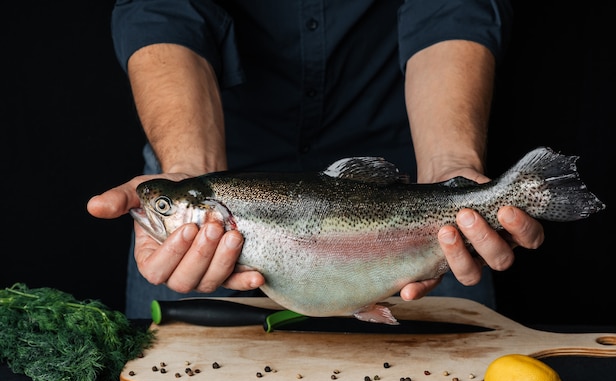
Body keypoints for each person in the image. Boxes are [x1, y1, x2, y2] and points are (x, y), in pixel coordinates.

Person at [88, 0, 545, 319]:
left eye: (165, 206)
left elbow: (450, 6)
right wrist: (190, 167)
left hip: (408, 170)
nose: (157, 210)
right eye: (165, 208)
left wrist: (450, 161)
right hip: (211, 145)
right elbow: (164, 8)